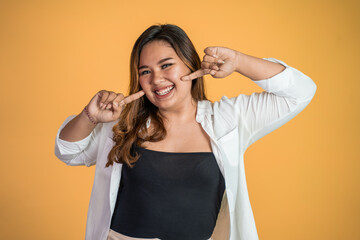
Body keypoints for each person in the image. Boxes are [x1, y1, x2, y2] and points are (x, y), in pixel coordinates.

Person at [54, 24, 317, 240]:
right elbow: (68, 152)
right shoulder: (123, 122)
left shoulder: (229, 118)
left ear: (191, 65)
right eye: (146, 71)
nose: (157, 79)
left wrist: (237, 61)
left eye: (166, 65)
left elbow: (300, 92)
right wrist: (90, 116)